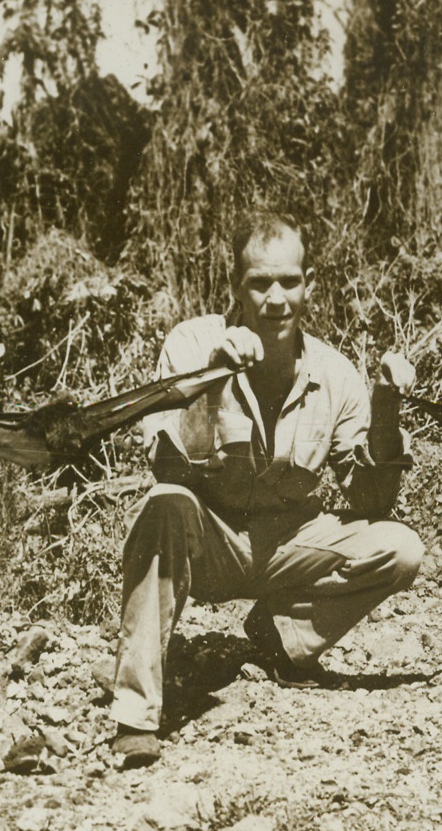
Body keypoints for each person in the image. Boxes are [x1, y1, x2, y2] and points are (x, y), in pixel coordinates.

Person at [109, 211, 424, 768]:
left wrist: (385, 409)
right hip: (212, 543)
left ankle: (282, 639)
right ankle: (136, 715)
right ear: (236, 286)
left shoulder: (337, 373)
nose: (276, 299)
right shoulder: (192, 344)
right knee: (164, 506)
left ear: (310, 285)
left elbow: (372, 502)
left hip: (287, 544)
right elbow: (171, 471)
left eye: (289, 282)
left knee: (401, 547)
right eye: (259, 283)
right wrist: (210, 382)